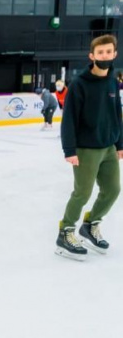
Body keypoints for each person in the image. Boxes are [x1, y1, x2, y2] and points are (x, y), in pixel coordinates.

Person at [55, 35, 123, 261]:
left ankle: (90, 225)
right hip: (86, 149)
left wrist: (120, 144)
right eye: (100, 52)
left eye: (108, 52)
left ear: (114, 54)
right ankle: (65, 232)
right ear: (92, 56)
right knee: (82, 192)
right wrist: (69, 150)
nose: (104, 56)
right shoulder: (79, 85)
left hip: (109, 148)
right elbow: (69, 119)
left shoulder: (113, 82)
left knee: (113, 190)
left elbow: (117, 114)